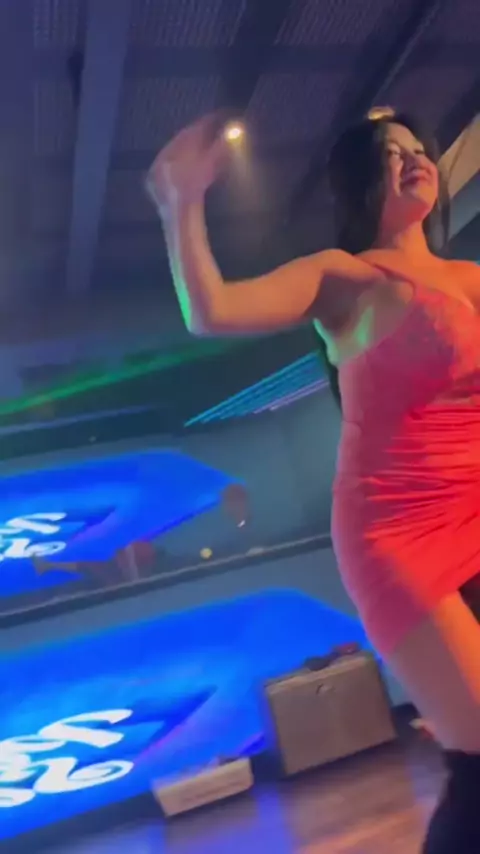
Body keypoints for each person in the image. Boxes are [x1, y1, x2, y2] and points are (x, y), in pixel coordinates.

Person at [146, 108, 480, 852]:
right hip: (398, 533)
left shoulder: (469, 279)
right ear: (363, 183)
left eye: (416, 148)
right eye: (389, 154)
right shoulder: (347, 278)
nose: (411, 159)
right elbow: (211, 310)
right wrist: (180, 201)